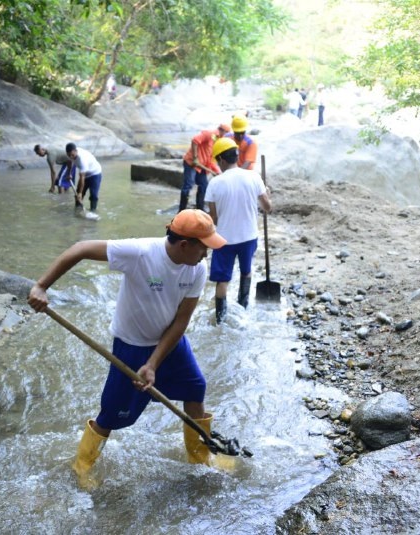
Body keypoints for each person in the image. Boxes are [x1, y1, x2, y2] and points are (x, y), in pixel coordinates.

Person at [27, 209, 227, 484]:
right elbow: (80, 248)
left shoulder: (197, 269)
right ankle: (83, 466)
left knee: (195, 389)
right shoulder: (140, 253)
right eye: (204, 248)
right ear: (184, 245)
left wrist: (154, 363)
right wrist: (41, 286)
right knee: (112, 413)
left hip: (171, 344)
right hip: (131, 347)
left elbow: (181, 321)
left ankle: (200, 458)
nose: (206, 255)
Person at [204, 137, 272, 323]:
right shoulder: (254, 177)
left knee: (222, 280)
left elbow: (214, 218)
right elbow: (267, 207)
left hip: (224, 239)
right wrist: (268, 194)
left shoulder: (215, 184)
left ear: (222, 160)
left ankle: (220, 320)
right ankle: (243, 307)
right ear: (236, 156)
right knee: (246, 271)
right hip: (249, 236)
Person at [179, 124, 230, 212]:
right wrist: (195, 158)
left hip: (202, 166)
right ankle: (181, 210)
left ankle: (200, 209)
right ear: (222, 131)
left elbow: (211, 159)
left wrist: (217, 172)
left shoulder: (218, 142)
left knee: (204, 186)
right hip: (191, 162)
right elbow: (195, 140)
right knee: (188, 185)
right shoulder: (209, 134)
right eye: (226, 133)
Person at [66, 143, 102, 213]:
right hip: (85, 174)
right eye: (69, 155)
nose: (71, 157)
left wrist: (80, 193)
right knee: (77, 194)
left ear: (76, 151)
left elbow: (82, 178)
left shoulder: (82, 159)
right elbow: (69, 162)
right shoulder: (71, 154)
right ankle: (78, 210)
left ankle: (93, 211)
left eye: (72, 155)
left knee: (93, 195)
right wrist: (69, 173)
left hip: (95, 173)